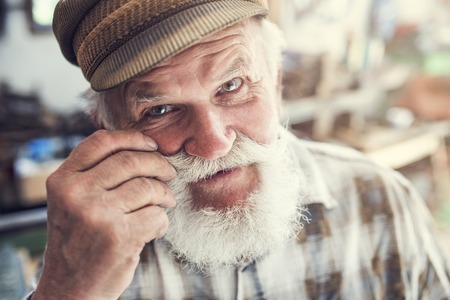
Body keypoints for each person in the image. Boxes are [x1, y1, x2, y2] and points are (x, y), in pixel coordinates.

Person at [27, 0, 450, 299]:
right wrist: (67, 293)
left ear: (278, 82)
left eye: (232, 86)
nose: (213, 144)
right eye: (160, 109)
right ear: (108, 128)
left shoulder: (381, 201)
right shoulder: (90, 253)